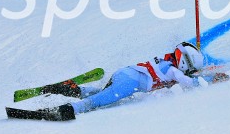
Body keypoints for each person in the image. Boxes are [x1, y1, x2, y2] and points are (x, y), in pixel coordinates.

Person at [30, 42, 210, 120]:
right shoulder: (172, 70)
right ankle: (63, 111)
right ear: (185, 62)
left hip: (125, 74)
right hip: (129, 82)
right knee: (97, 101)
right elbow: (187, 82)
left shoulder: (166, 61)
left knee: (100, 94)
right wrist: (205, 82)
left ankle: (70, 89)